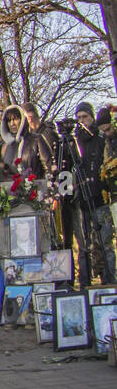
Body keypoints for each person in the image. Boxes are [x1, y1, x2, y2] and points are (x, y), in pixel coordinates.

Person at [68, 102, 115, 285]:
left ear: (92, 117)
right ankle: (85, 281)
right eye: (79, 118)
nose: (82, 121)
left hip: (100, 197)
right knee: (85, 245)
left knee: (105, 242)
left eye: (85, 117)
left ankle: (110, 279)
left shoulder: (101, 138)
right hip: (83, 200)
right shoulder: (75, 141)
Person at [0, 103, 52, 181]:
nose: (12, 123)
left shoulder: (36, 140)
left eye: (16, 119)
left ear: (23, 120)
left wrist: (42, 188)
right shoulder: (5, 147)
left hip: (35, 189)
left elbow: (49, 168)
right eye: (9, 120)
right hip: (12, 191)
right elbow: (3, 175)